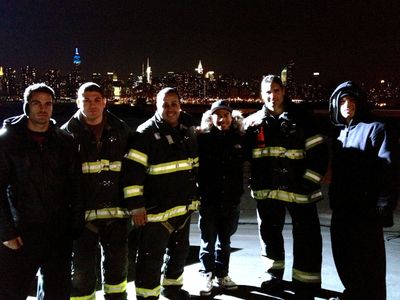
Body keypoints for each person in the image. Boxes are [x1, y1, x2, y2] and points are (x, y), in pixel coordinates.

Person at [244, 75, 329, 299]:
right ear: (261, 95)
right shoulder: (252, 123)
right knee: (269, 235)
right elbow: (243, 156)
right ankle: (273, 276)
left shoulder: (303, 119)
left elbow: (319, 153)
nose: (272, 95)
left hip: (301, 191)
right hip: (268, 191)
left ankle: (307, 281)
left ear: (283, 91)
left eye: (276, 90)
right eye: (267, 92)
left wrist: (308, 181)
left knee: (307, 236)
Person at [0, 83, 83, 300]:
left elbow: (76, 185)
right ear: (26, 105)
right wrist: (7, 232)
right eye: (37, 103)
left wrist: (75, 225)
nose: (43, 108)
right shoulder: (7, 141)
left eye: (48, 103)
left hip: (58, 231)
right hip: (22, 232)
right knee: (12, 289)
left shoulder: (65, 141)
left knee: (57, 290)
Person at [122, 87, 199, 300]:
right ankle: (147, 296)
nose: (170, 108)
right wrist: (136, 206)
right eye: (164, 104)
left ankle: (173, 288)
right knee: (151, 259)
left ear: (180, 106)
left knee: (179, 252)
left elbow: (192, 166)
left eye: (174, 104)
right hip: (155, 213)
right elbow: (132, 175)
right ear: (156, 106)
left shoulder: (187, 131)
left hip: (182, 209)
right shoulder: (145, 133)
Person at [62, 82, 132, 300]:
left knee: (118, 268)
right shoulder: (65, 135)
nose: (91, 105)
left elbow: (133, 171)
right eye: (86, 99)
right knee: (81, 271)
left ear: (104, 102)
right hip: (82, 218)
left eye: (96, 100)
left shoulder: (122, 131)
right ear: (77, 102)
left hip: (117, 214)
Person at [328, 81, 397, 300]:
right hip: (341, 209)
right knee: (344, 257)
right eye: (342, 101)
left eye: (352, 100)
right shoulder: (339, 133)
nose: (347, 105)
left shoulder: (377, 128)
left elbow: (388, 170)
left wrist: (383, 207)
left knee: (371, 264)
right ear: (336, 105)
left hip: (366, 211)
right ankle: (353, 294)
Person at [196, 100, 245, 296]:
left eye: (226, 115)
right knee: (208, 240)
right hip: (209, 199)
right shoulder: (203, 139)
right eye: (217, 115)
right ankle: (206, 274)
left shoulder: (240, 139)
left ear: (232, 118)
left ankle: (222, 274)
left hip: (231, 200)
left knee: (225, 241)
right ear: (211, 117)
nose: (222, 118)